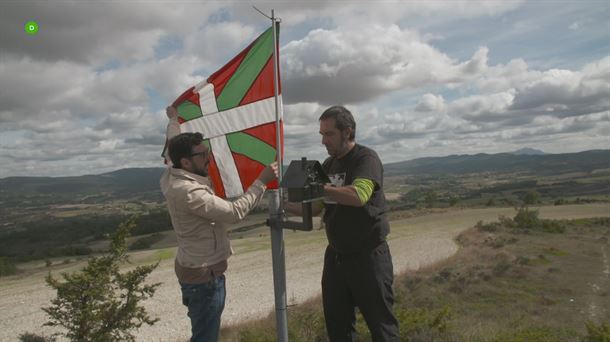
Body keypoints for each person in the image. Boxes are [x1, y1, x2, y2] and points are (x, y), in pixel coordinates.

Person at [160, 106, 278, 342]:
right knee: (205, 337)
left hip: (196, 270)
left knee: (203, 332)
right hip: (204, 278)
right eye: (202, 155)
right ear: (185, 161)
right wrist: (262, 182)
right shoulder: (187, 191)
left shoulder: (172, 173)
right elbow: (234, 212)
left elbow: (172, 141)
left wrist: (174, 119)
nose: (208, 158)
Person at [286, 105, 399, 341]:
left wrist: (320, 187)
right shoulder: (328, 165)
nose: (323, 141)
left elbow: (359, 196)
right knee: (338, 329)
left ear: (347, 132)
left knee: (382, 329)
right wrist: (281, 204)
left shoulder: (365, 158)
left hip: (368, 258)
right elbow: (318, 207)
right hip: (336, 257)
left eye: (328, 134)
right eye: (321, 135)